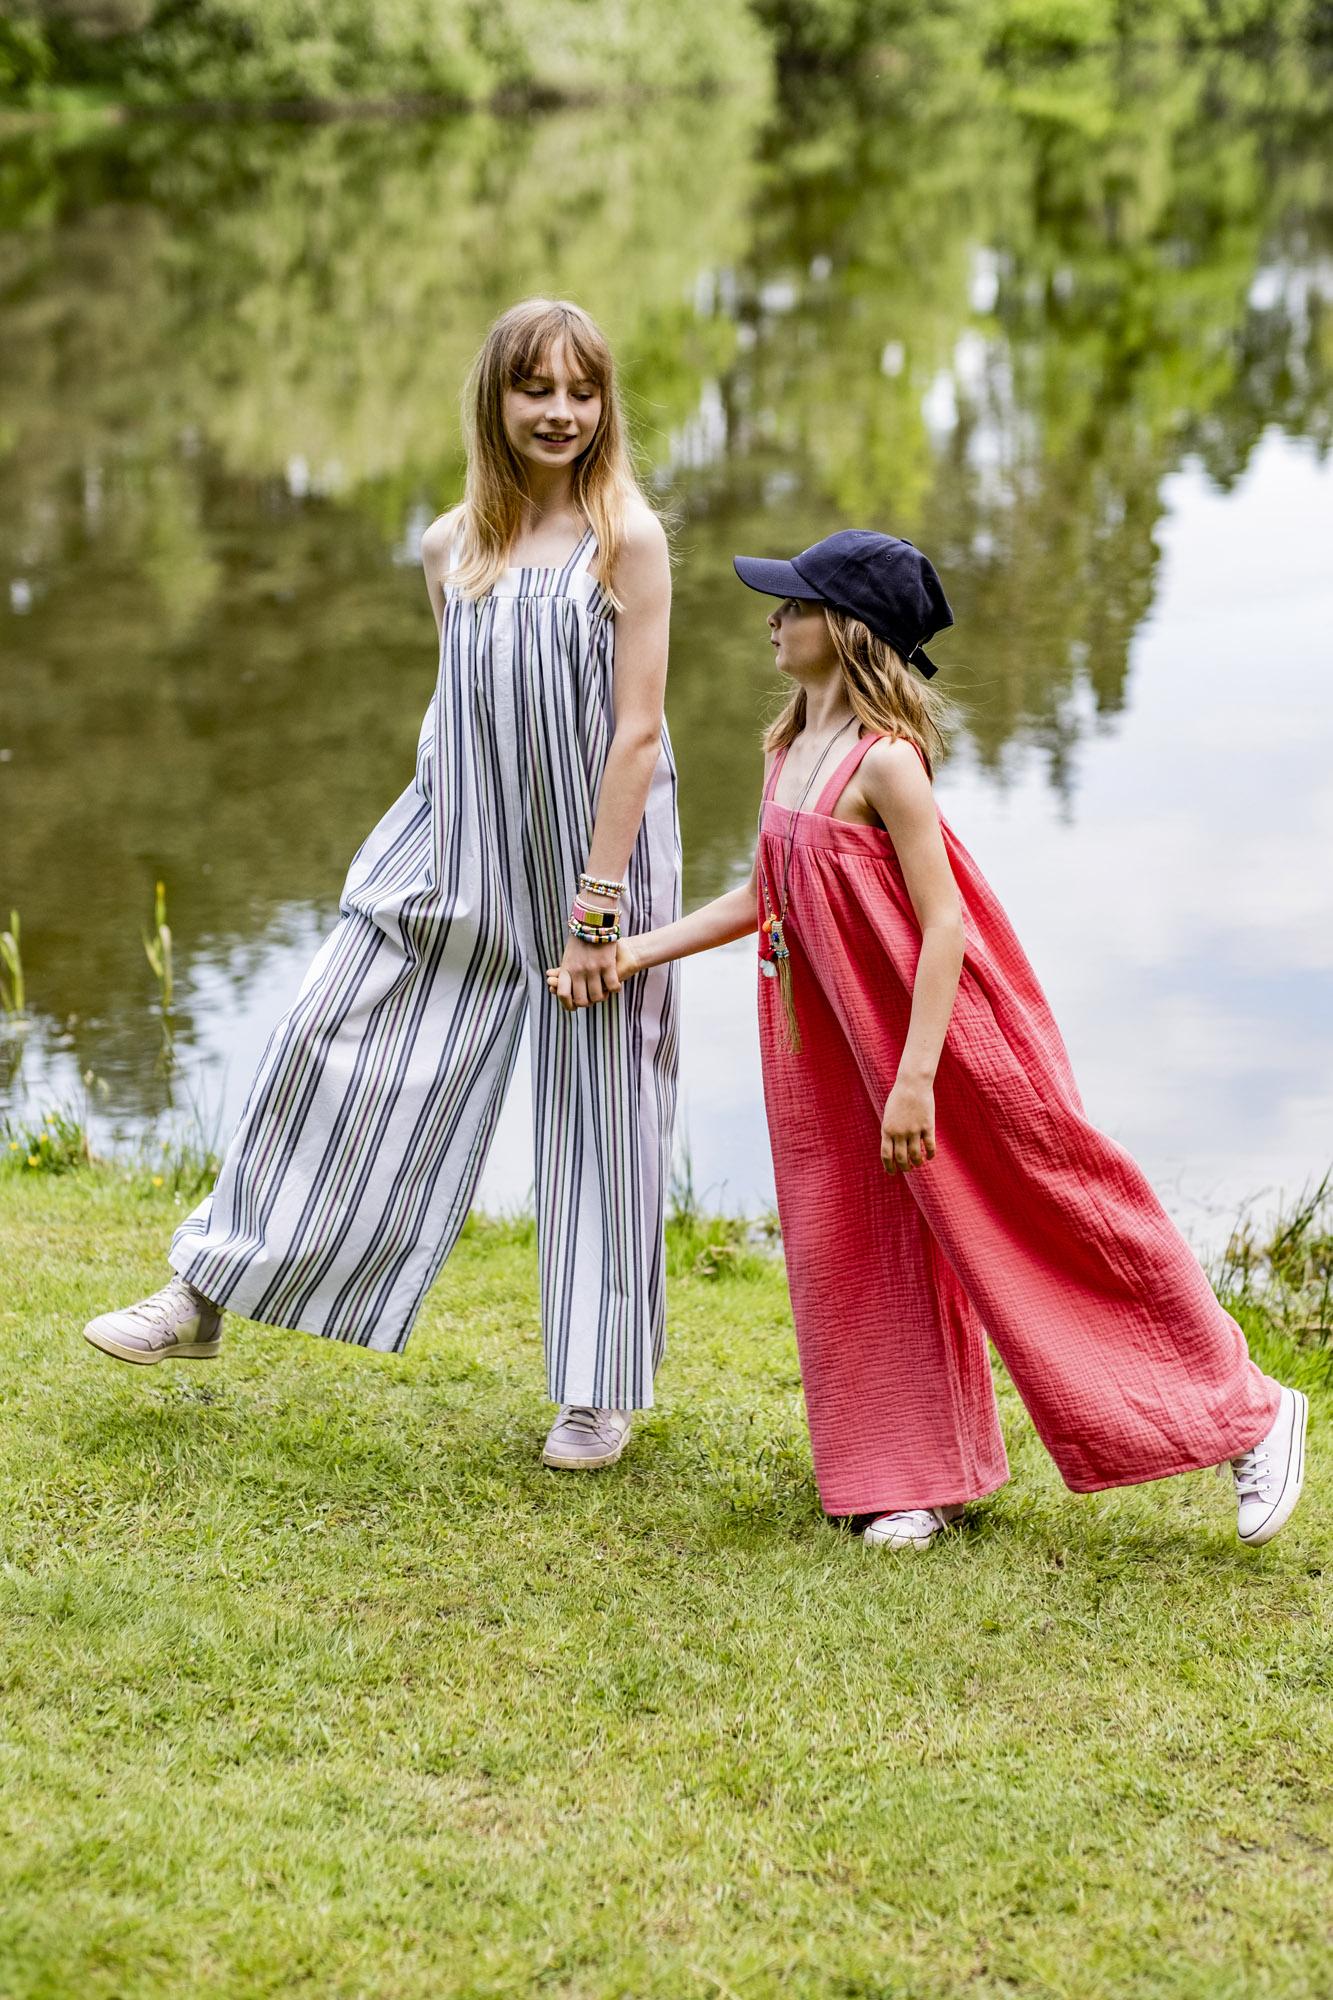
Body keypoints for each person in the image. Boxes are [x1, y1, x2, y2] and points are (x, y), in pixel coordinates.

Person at [554, 529, 1307, 1548]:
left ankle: (1247, 1409)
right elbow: (761, 895)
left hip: (943, 1043)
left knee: (1058, 1211)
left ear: (850, 631)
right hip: (833, 1043)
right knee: (856, 1229)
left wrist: (916, 1081)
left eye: (796, 605)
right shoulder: (787, 748)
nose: (773, 619)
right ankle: (914, 1471)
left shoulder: (887, 763)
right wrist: (630, 953)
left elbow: (943, 921)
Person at [83, 297, 682, 1472]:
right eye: (535, 389)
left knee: (601, 1104)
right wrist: (423, 842)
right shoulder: (448, 545)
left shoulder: (630, 539)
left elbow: (639, 730)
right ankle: (205, 1286)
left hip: (597, 853)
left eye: (580, 390)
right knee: (324, 1025)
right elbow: (462, 707)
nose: (559, 412)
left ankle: (596, 1389)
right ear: (495, 401)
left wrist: (597, 903)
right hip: (458, 836)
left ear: (603, 404)